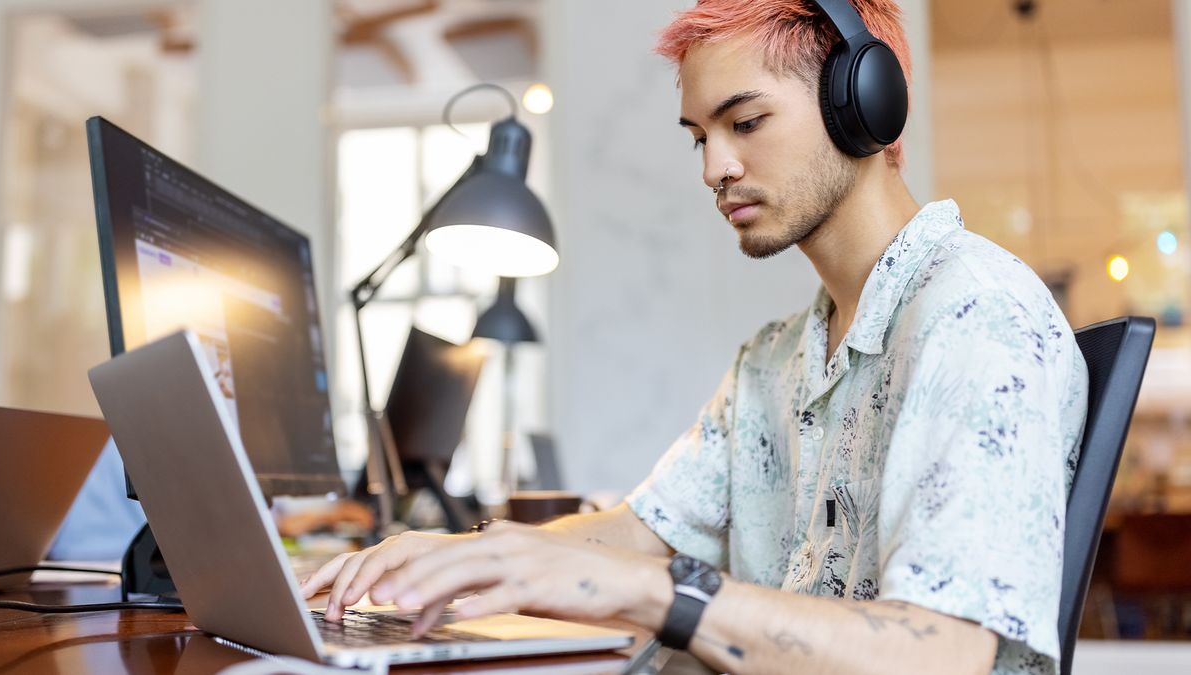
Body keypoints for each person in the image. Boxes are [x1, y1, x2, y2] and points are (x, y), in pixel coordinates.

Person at [300, 2, 1088, 673]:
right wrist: (464, 553)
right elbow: (641, 531)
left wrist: (656, 592)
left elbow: (940, 653)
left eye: (745, 121)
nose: (714, 165)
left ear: (865, 104)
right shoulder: (775, 359)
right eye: (698, 136)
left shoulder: (976, 315)